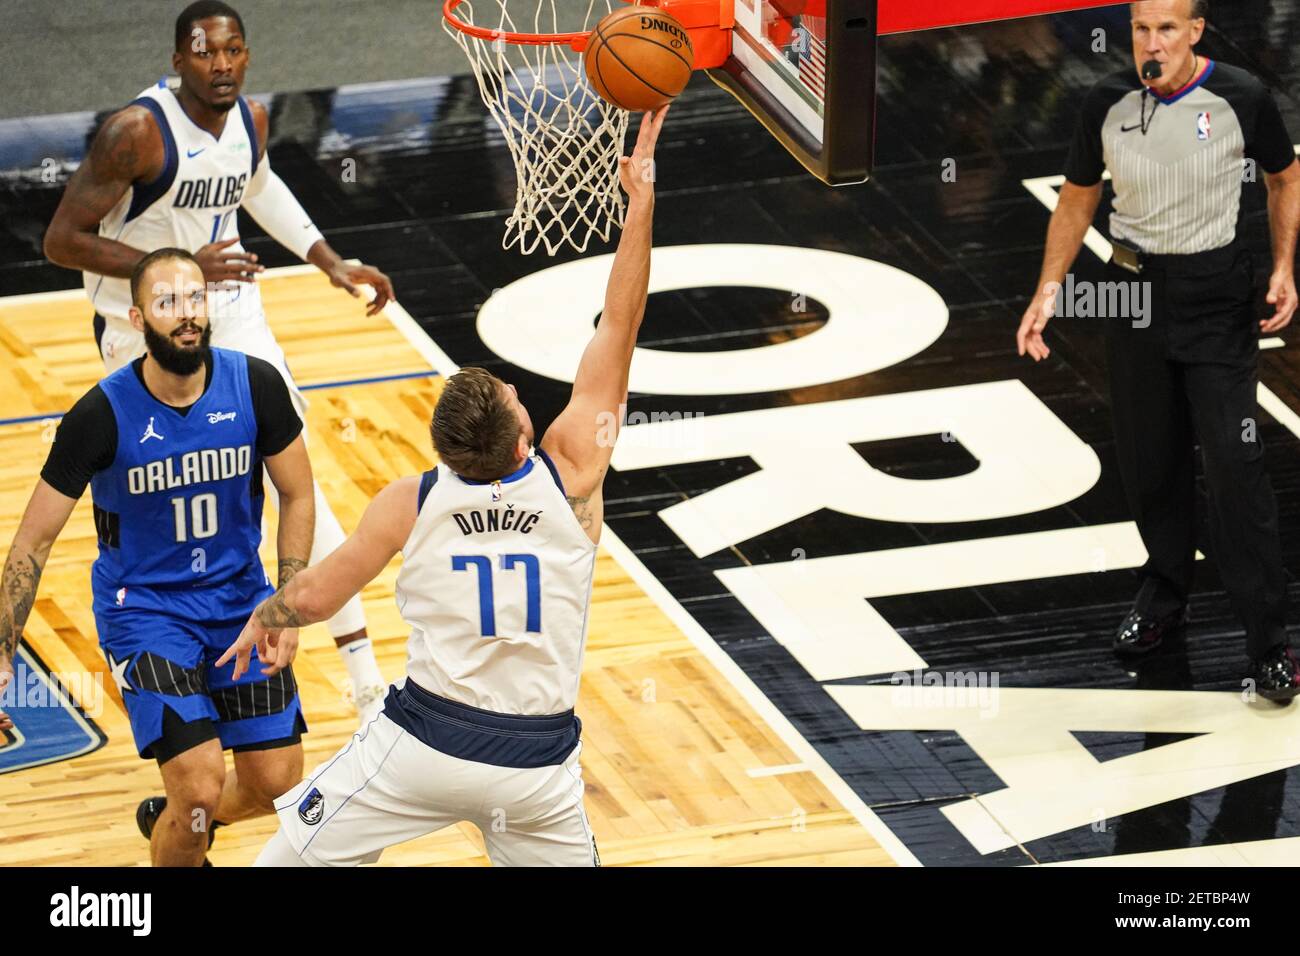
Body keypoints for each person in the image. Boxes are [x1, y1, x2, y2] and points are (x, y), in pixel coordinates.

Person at [218, 107, 668, 866]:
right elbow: (619, 325)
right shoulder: (574, 475)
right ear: (526, 437)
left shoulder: (414, 499)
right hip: (536, 766)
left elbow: (320, 597)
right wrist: (641, 203)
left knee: (287, 862)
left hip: (423, 747)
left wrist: (270, 615)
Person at [42, 0, 391, 723]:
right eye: (205, 53)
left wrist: (329, 259)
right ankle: (151, 631)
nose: (222, 64)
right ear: (178, 62)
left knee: (296, 477)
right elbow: (61, 240)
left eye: (233, 50)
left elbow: (257, 185)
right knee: (160, 495)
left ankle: (364, 673)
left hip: (234, 318)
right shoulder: (134, 134)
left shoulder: (253, 121)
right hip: (142, 326)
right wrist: (174, 268)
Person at [1016, 0, 1300, 699]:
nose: (1152, 43)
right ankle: (1164, 598)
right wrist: (1048, 289)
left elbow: (1285, 177)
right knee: (1150, 462)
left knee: (1236, 467)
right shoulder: (1104, 102)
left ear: (1195, 31)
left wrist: (1284, 267)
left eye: (1167, 28)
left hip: (1217, 296)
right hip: (1131, 292)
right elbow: (1078, 199)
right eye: (1142, 29)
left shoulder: (1241, 96)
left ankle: (1270, 644)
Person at [0, 248, 313, 865]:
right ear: (138, 318)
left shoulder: (255, 384)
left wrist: (286, 605)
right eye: (168, 303)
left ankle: (173, 823)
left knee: (275, 785)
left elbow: (299, 494)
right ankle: (184, 828)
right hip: (145, 613)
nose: (186, 314)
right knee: (197, 787)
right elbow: (32, 543)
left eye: (194, 298)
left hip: (241, 605)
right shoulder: (99, 415)